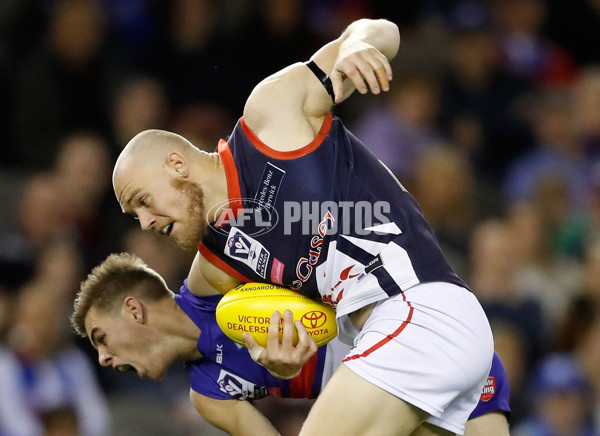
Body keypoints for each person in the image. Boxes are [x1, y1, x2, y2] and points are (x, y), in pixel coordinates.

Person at [112, 18, 494, 435]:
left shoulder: (269, 119)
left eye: (143, 201)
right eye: (136, 217)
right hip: (391, 341)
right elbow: (269, 330)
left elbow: (383, 31)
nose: (146, 222)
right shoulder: (220, 263)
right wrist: (275, 357)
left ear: (177, 164)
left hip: (419, 310)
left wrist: (356, 46)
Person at [71, 252, 510, 435]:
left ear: (133, 309)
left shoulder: (212, 273)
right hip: (397, 406)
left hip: (424, 341)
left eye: (100, 338)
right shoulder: (208, 394)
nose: (104, 358)